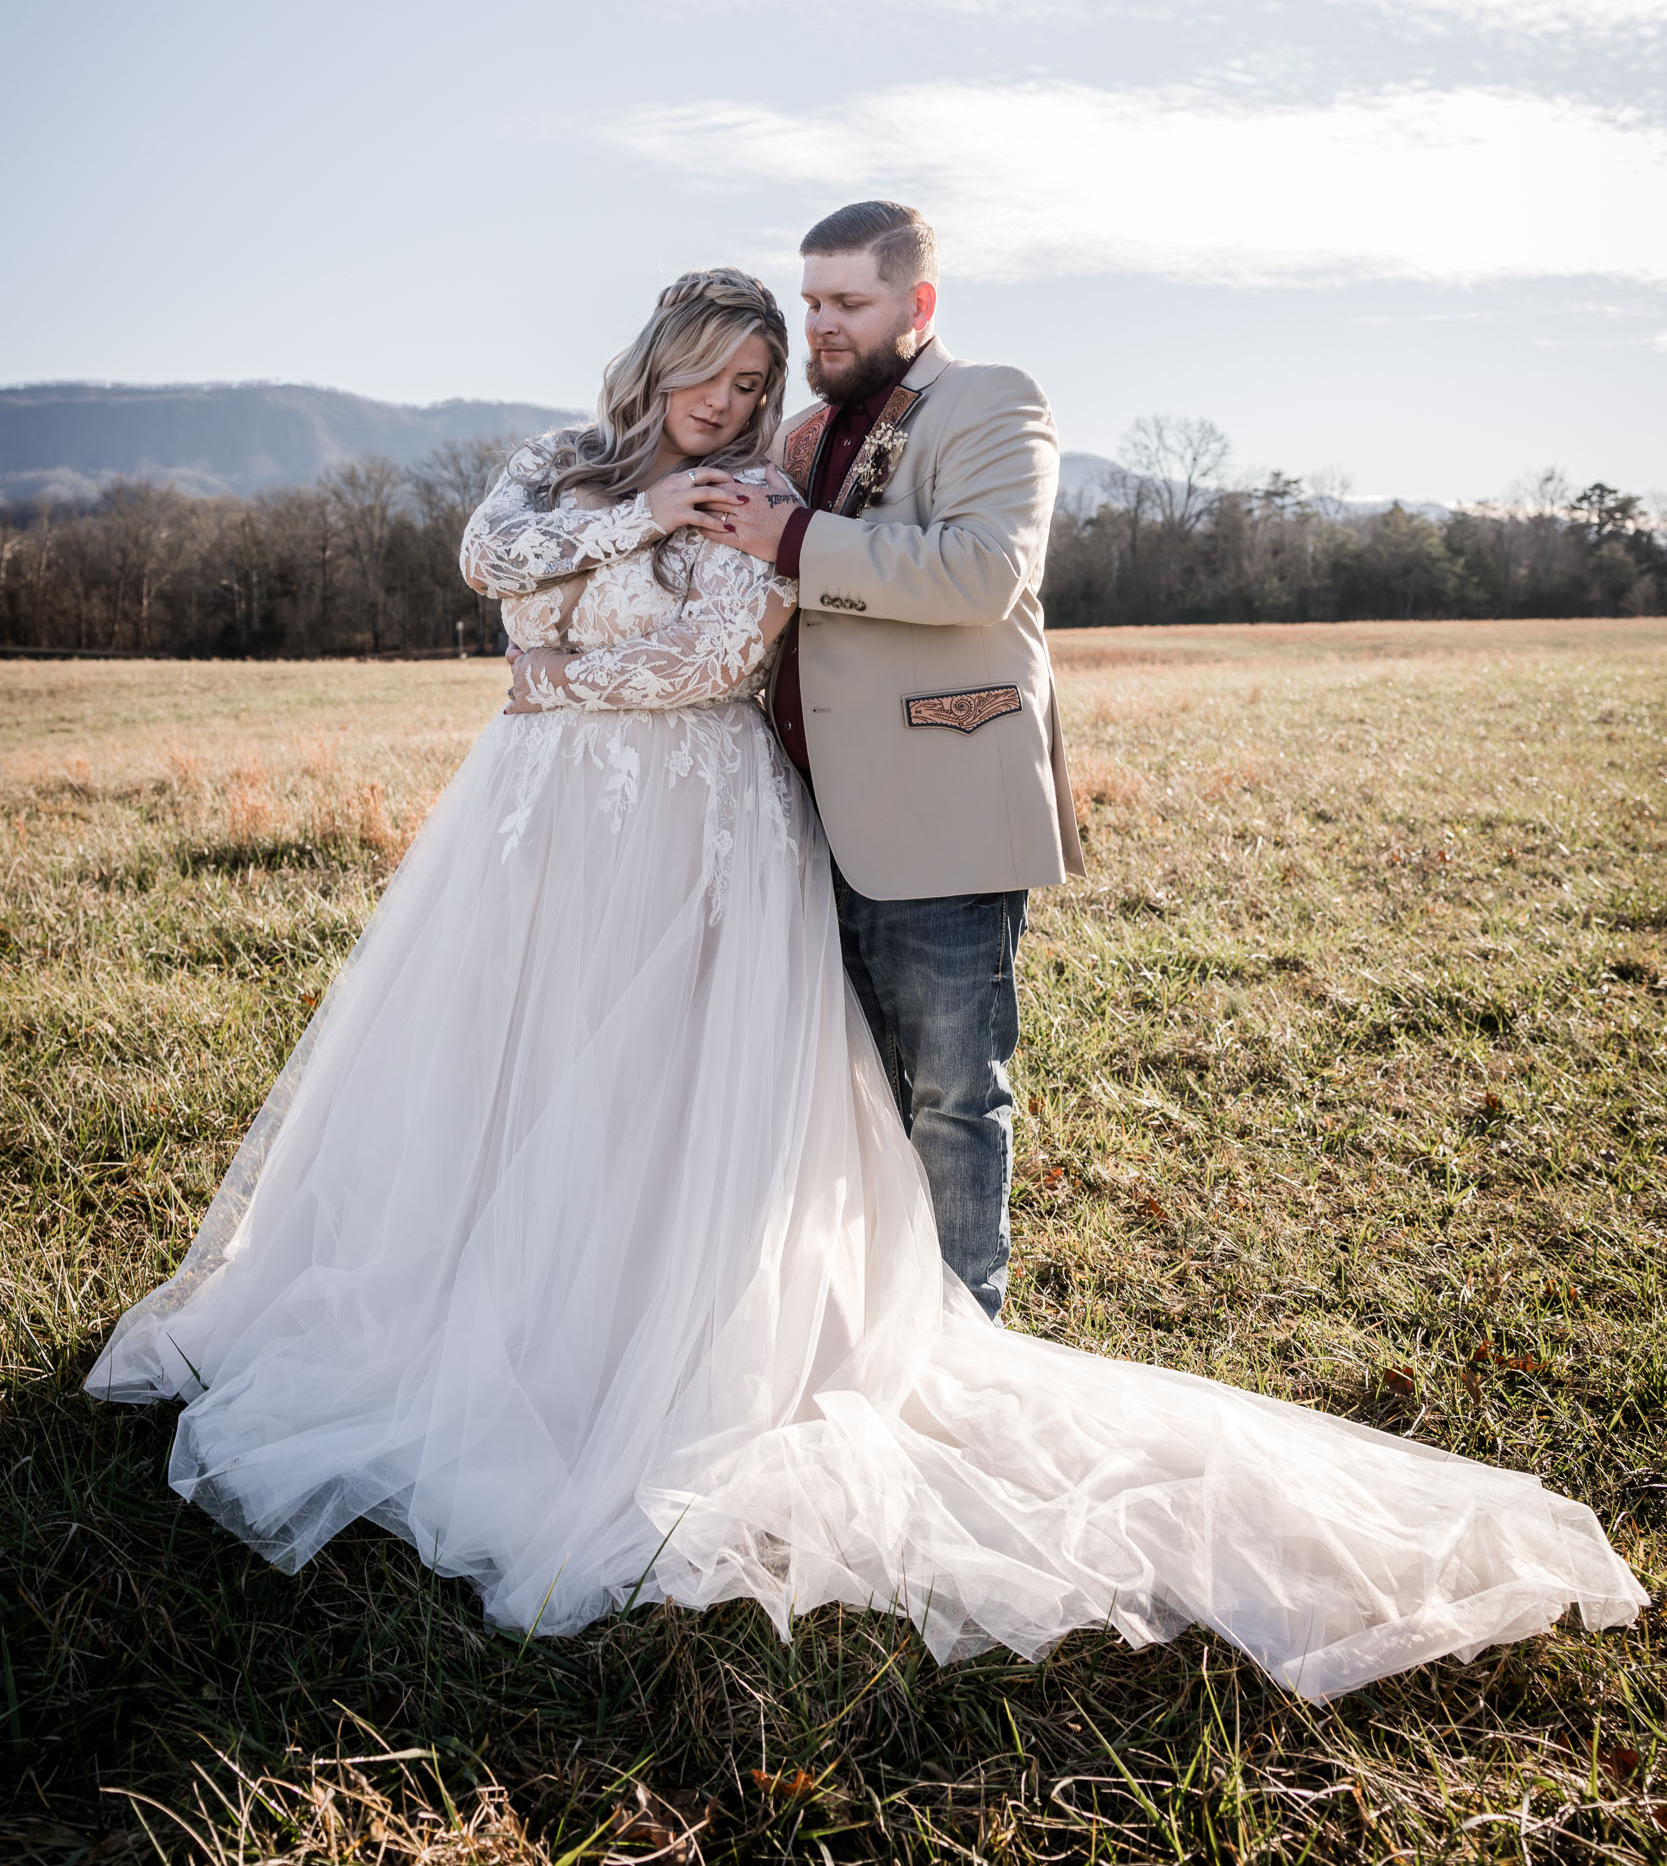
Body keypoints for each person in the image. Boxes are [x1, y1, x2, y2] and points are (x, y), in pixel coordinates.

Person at [86, 265, 1645, 1701]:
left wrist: (551, 663)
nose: (731, 400)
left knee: (664, 1085)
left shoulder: (767, 498)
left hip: (689, 828)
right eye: (708, 371)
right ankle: (482, 1303)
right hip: (529, 835)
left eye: (757, 373)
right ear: (653, 366)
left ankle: (654, 1349)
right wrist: (632, 523)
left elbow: (697, 668)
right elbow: (488, 556)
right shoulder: (561, 459)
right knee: (510, 1065)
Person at [720, 200, 1082, 1319]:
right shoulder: (798, 435)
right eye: (810, 300)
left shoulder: (989, 399)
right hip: (804, 816)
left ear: (915, 303)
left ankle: (961, 1333)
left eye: (847, 302)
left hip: (939, 804)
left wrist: (787, 539)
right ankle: (861, 1325)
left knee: (949, 1096)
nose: (819, 325)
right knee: (845, 1092)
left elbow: (983, 574)